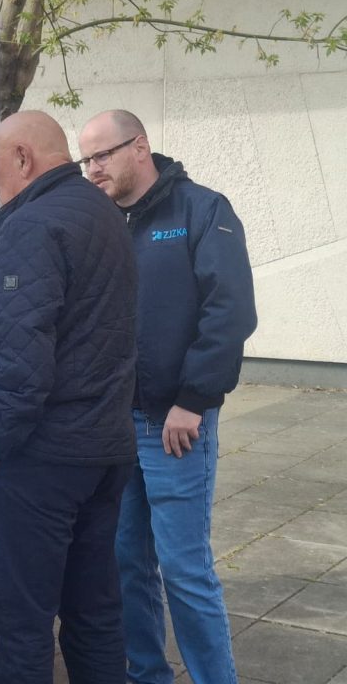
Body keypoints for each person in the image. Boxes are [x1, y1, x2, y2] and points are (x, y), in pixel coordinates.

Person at [0, 110, 138, 683]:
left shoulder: (32, 225)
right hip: (103, 446)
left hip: (42, 457)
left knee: (23, 624)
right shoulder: (101, 211)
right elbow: (65, 317)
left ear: (23, 157)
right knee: (94, 613)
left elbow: (21, 361)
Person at [78, 109, 257, 684]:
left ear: (140, 146)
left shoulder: (201, 210)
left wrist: (193, 399)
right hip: (114, 425)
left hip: (173, 424)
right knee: (126, 562)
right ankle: (147, 674)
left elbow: (229, 313)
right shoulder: (100, 221)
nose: (92, 168)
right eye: (86, 160)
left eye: (102, 155)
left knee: (184, 570)